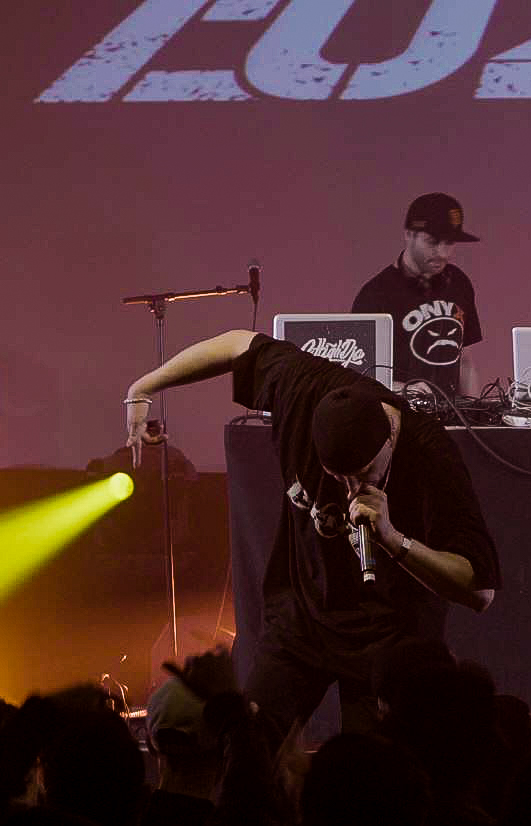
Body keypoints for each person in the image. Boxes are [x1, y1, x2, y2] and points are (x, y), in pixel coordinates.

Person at [124, 329, 499, 735]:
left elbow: (479, 591)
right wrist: (142, 388)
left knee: (374, 765)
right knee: (249, 743)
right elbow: (237, 344)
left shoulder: (431, 455)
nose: (350, 489)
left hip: (391, 636)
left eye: (363, 474)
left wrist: (393, 540)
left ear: (390, 439)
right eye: (337, 476)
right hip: (302, 618)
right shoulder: (304, 389)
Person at [351, 192, 485, 398]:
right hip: (400, 412)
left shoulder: (458, 282)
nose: (443, 253)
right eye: (432, 242)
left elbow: (465, 362)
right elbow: (359, 375)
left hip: (451, 413)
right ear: (408, 235)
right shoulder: (375, 295)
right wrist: (401, 388)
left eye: (449, 243)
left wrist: (475, 410)